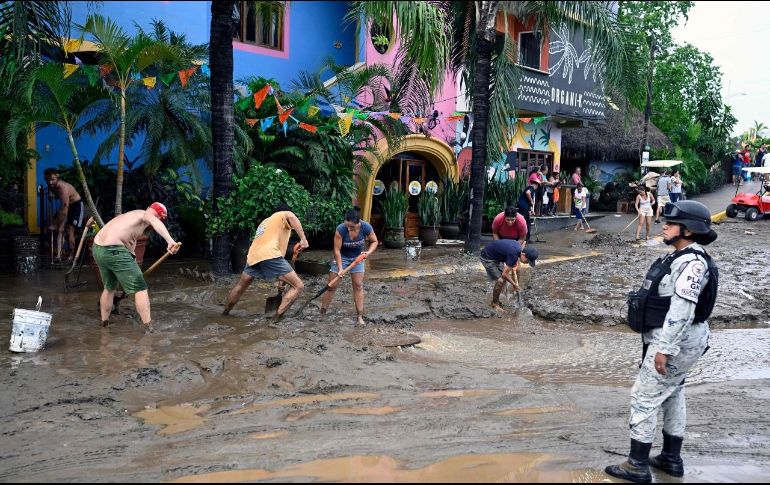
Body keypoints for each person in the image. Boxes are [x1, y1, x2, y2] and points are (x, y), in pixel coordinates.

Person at [605, 200, 718, 483]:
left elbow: (682, 311)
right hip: (680, 338)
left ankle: (637, 465)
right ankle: (670, 458)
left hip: (676, 340)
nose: (664, 225)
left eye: (670, 223)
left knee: (643, 397)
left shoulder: (691, 263)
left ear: (689, 231)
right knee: (673, 393)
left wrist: (664, 350)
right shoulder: (681, 257)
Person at [93, 202, 178, 331]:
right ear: (159, 217)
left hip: (98, 248)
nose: (156, 220)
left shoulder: (132, 216)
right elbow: (154, 220)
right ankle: (149, 328)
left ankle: (104, 323)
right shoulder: (146, 215)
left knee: (109, 287)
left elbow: (130, 250)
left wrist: (132, 274)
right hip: (113, 249)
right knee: (141, 288)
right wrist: (170, 241)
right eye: (159, 218)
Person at [222, 203, 309, 322]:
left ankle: (224, 313)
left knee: (241, 286)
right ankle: (274, 320)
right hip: (269, 254)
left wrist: (281, 281)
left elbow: (279, 257)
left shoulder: (266, 222)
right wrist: (303, 239)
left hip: (254, 255)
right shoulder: (283, 215)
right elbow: (291, 216)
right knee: (298, 286)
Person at [319, 207, 378, 326]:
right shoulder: (341, 229)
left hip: (358, 258)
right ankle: (322, 313)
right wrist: (340, 268)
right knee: (332, 286)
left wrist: (368, 253)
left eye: (352, 227)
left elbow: (374, 241)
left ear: (358, 222)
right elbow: (336, 250)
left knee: (358, 285)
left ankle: (360, 317)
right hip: (342, 257)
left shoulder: (366, 227)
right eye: (347, 226)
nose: (349, 228)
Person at [479, 239, 538, 311]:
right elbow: (504, 274)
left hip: (496, 256)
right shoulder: (514, 255)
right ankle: (494, 304)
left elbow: (510, 255)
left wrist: (513, 263)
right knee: (500, 280)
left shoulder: (519, 248)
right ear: (523, 254)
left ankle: (501, 297)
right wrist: (514, 284)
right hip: (487, 257)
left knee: (504, 280)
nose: (526, 263)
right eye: (527, 261)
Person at [44, 168, 85, 263]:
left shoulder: (63, 188)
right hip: (66, 206)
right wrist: (51, 194)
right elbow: (51, 190)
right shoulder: (51, 184)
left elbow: (64, 211)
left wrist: (55, 224)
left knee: (70, 229)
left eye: (52, 180)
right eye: (47, 180)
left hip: (76, 206)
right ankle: (58, 256)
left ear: (58, 178)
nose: (50, 182)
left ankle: (71, 255)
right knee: (60, 229)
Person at [517, 178, 540, 243]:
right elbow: (528, 193)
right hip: (523, 208)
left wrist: (531, 210)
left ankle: (527, 238)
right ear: (536, 185)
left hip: (524, 208)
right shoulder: (531, 188)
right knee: (523, 222)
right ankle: (521, 238)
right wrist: (531, 200)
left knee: (528, 222)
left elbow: (527, 202)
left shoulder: (530, 188)